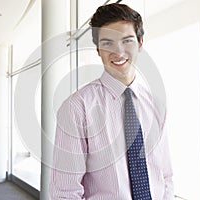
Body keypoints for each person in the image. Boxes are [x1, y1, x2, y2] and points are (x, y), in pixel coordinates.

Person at [49, 3, 174, 200]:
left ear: (140, 43)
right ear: (98, 49)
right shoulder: (77, 108)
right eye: (108, 43)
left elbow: (165, 176)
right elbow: (65, 193)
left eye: (127, 41)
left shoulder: (156, 106)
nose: (118, 51)